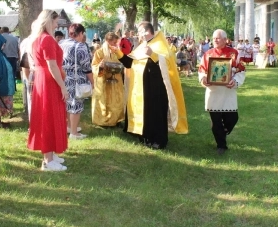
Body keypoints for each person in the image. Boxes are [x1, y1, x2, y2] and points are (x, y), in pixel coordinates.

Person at [111, 21, 188, 149]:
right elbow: (130, 63)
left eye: (140, 31)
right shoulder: (142, 46)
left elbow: (167, 62)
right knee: (146, 113)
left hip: (157, 88)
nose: (138, 34)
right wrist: (118, 53)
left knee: (157, 114)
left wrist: (152, 54)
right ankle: (146, 137)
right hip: (142, 88)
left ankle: (159, 140)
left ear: (147, 31)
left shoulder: (159, 44)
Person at [27, 10, 68, 172]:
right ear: (48, 21)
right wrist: (62, 86)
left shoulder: (38, 39)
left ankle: (51, 154)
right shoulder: (47, 39)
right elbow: (52, 66)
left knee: (50, 116)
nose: (57, 25)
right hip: (49, 82)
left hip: (43, 80)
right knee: (49, 118)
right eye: (56, 22)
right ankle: (48, 160)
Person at [198, 29, 246, 155]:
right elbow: (201, 71)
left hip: (228, 91)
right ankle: (221, 145)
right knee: (216, 121)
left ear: (225, 40)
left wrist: (235, 81)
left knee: (233, 118)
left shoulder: (234, 53)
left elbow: (241, 70)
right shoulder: (207, 54)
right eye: (214, 38)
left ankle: (222, 132)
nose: (215, 40)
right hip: (213, 92)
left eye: (218, 38)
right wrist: (203, 79)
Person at [60, 23, 93, 139]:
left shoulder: (61, 43)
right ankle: (74, 133)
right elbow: (87, 67)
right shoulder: (80, 46)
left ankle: (69, 126)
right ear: (80, 33)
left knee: (66, 103)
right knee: (75, 104)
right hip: (76, 79)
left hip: (63, 77)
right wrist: (93, 82)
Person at [91, 32, 125, 127]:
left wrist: (122, 68)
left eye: (116, 42)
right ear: (107, 41)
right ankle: (103, 121)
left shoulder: (116, 52)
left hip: (116, 81)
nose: (115, 44)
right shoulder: (99, 52)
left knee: (117, 101)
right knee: (105, 101)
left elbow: (121, 63)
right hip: (104, 81)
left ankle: (117, 120)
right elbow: (94, 66)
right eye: (114, 42)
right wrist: (100, 66)